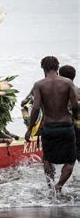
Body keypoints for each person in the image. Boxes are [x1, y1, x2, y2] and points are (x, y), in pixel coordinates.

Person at [25, 56, 78, 193]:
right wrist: (76, 118)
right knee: (70, 160)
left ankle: (50, 187)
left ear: (44, 68)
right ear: (57, 67)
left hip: (48, 127)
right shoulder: (67, 83)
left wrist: (30, 129)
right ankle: (59, 185)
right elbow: (75, 105)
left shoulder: (39, 85)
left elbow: (35, 108)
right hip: (66, 126)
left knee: (47, 159)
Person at [59, 65, 80, 161]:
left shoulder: (56, 91)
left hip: (60, 125)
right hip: (77, 125)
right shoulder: (78, 91)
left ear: (60, 76)